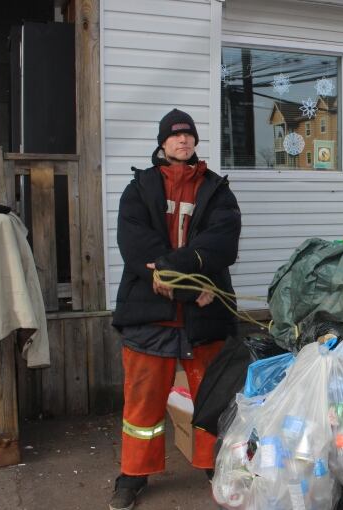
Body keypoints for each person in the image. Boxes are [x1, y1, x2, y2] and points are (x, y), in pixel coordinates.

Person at [109, 109, 242, 510]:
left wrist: (174, 272)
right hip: (151, 314)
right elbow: (134, 243)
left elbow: (222, 242)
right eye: (174, 136)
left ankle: (215, 465)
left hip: (206, 315)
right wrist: (188, 286)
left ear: (195, 143)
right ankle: (132, 475)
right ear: (162, 143)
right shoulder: (140, 188)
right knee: (142, 403)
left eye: (188, 136)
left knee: (214, 398)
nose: (182, 141)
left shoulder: (217, 190)